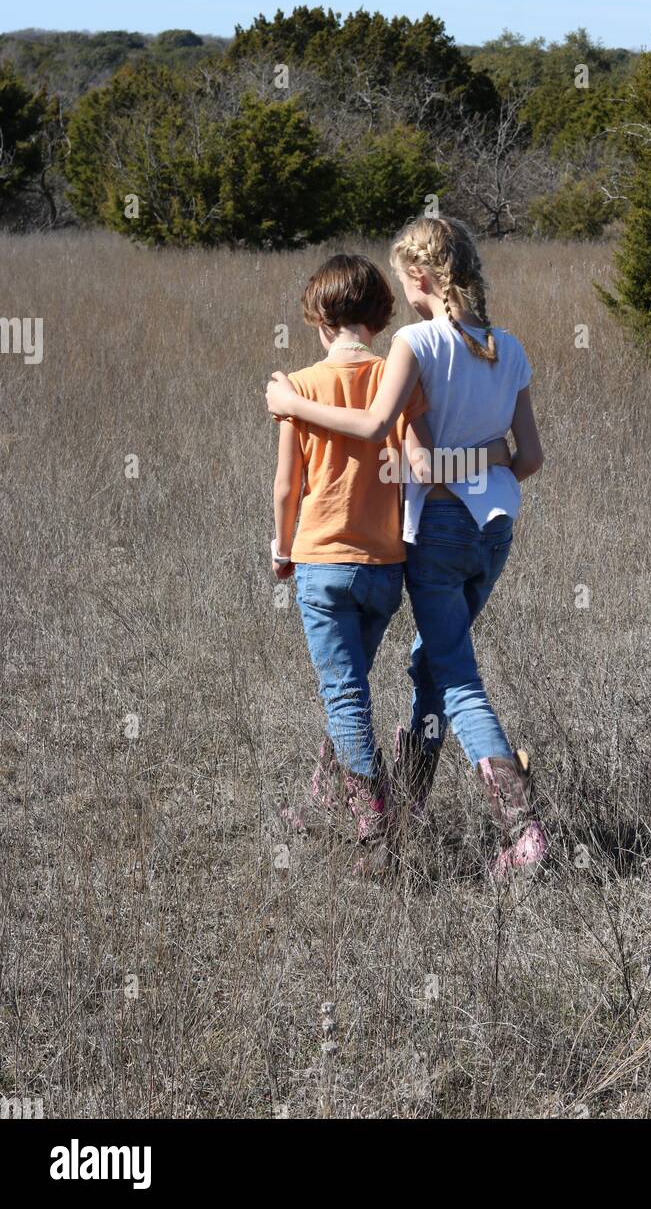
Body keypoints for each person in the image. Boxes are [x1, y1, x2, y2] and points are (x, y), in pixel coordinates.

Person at [267, 218, 547, 879]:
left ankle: (521, 829)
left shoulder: (416, 344)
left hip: (435, 534)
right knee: (427, 669)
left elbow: (383, 437)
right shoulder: (508, 347)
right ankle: (405, 807)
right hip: (496, 528)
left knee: (453, 680)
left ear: (420, 278)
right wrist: (483, 465)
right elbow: (527, 457)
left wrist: (291, 402)